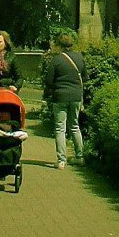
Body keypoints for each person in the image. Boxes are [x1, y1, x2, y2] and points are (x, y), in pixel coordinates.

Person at [41, 29, 86, 169]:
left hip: (60, 96)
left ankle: (61, 160)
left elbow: (49, 80)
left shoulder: (57, 60)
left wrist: (50, 92)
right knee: (74, 126)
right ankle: (80, 157)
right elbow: (85, 77)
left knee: (60, 128)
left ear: (59, 45)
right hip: (76, 96)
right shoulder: (80, 58)